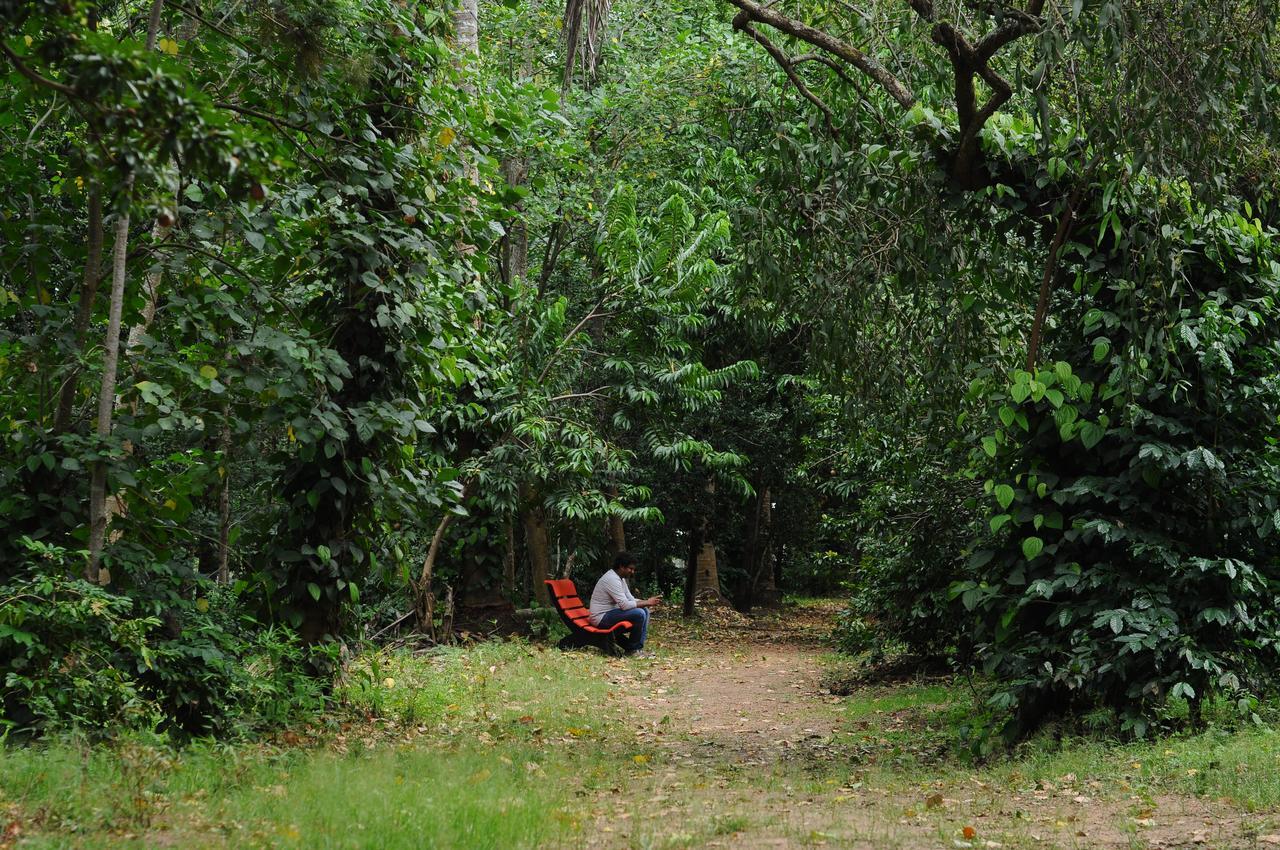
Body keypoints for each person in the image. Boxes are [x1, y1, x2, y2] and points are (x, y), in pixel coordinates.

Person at [589, 551, 661, 656]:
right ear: (621, 566)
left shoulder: (620, 579)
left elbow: (630, 599)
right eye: (630, 569)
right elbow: (625, 605)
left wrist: (647, 602)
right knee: (639, 613)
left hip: (611, 613)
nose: (632, 572)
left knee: (645, 610)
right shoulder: (611, 579)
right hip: (600, 618)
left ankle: (637, 649)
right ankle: (632, 650)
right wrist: (647, 602)